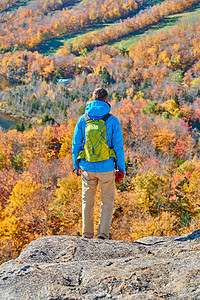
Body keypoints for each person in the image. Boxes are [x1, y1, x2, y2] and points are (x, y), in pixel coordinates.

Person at [72, 87, 125, 239]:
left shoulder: (84, 119)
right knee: (107, 202)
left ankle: (87, 235)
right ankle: (102, 235)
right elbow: (119, 147)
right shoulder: (112, 120)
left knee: (87, 201)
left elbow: (76, 144)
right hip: (107, 168)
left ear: (92, 99)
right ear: (107, 100)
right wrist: (121, 169)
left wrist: (76, 165)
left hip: (87, 167)